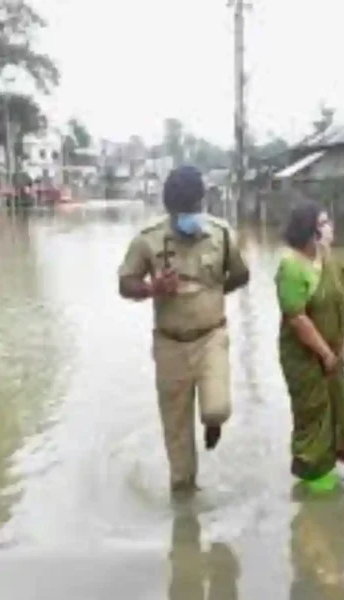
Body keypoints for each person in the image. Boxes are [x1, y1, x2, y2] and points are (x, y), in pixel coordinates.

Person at [117, 165, 250, 495]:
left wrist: (213, 293)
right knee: (176, 435)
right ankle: (185, 502)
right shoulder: (147, 240)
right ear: (169, 209)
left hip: (211, 338)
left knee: (217, 407)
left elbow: (241, 275)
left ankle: (212, 423)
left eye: (195, 208)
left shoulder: (220, 234)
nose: (190, 216)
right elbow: (124, 283)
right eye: (183, 211)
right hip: (170, 345)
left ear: (202, 203)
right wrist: (153, 289)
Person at [275, 200, 344, 493]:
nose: (329, 228)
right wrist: (324, 353)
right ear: (310, 231)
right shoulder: (291, 266)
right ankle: (312, 493)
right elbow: (297, 318)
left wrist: (342, 343)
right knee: (313, 417)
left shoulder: (327, 260)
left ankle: (327, 479)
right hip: (305, 358)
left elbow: (339, 301)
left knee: (334, 411)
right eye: (323, 223)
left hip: (333, 355)